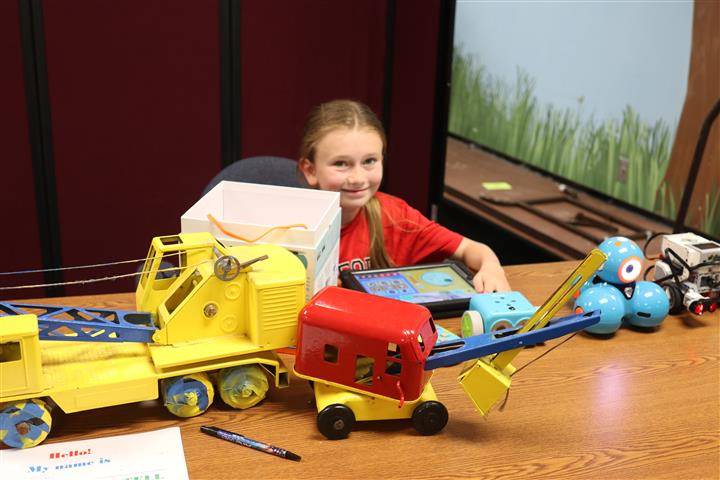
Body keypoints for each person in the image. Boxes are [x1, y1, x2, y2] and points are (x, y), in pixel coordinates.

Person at [298, 99, 510, 293]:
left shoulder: (395, 216)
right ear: (311, 171)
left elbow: (470, 249)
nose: (357, 178)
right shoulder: (291, 229)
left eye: (369, 161)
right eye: (341, 164)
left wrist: (491, 268)